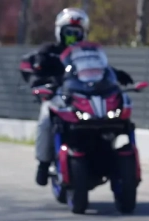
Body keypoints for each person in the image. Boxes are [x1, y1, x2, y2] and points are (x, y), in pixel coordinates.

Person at [29, 7, 134, 186]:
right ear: (59, 32)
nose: (72, 37)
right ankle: (43, 163)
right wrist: (40, 81)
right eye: (68, 33)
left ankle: (110, 156)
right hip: (59, 95)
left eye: (76, 33)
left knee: (113, 117)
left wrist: (117, 74)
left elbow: (100, 69)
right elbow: (36, 71)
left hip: (84, 96)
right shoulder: (48, 51)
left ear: (83, 34)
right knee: (46, 119)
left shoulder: (87, 52)